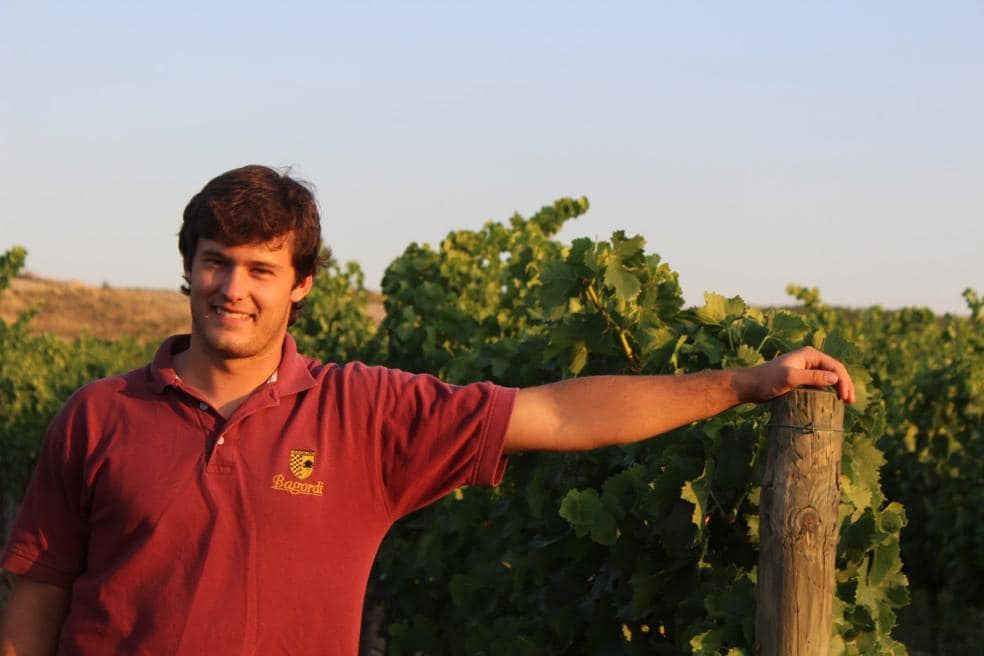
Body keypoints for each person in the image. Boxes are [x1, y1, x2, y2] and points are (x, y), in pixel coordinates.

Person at [0, 165, 855, 655]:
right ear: (188, 267)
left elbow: (556, 415)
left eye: (261, 270)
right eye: (217, 262)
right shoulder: (98, 416)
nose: (233, 288)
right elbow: (35, 603)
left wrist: (741, 383)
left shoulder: (363, 414)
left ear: (299, 287)